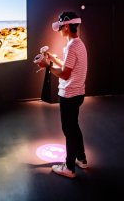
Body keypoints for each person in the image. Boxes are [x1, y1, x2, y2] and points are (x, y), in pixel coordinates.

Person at [36, 11, 88, 178]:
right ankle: (82, 159)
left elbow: (65, 74)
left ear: (66, 26)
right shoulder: (78, 44)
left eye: (60, 28)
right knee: (75, 127)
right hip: (78, 93)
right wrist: (52, 58)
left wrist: (47, 66)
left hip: (69, 95)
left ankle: (69, 167)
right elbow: (68, 67)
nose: (59, 31)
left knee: (69, 130)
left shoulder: (72, 46)